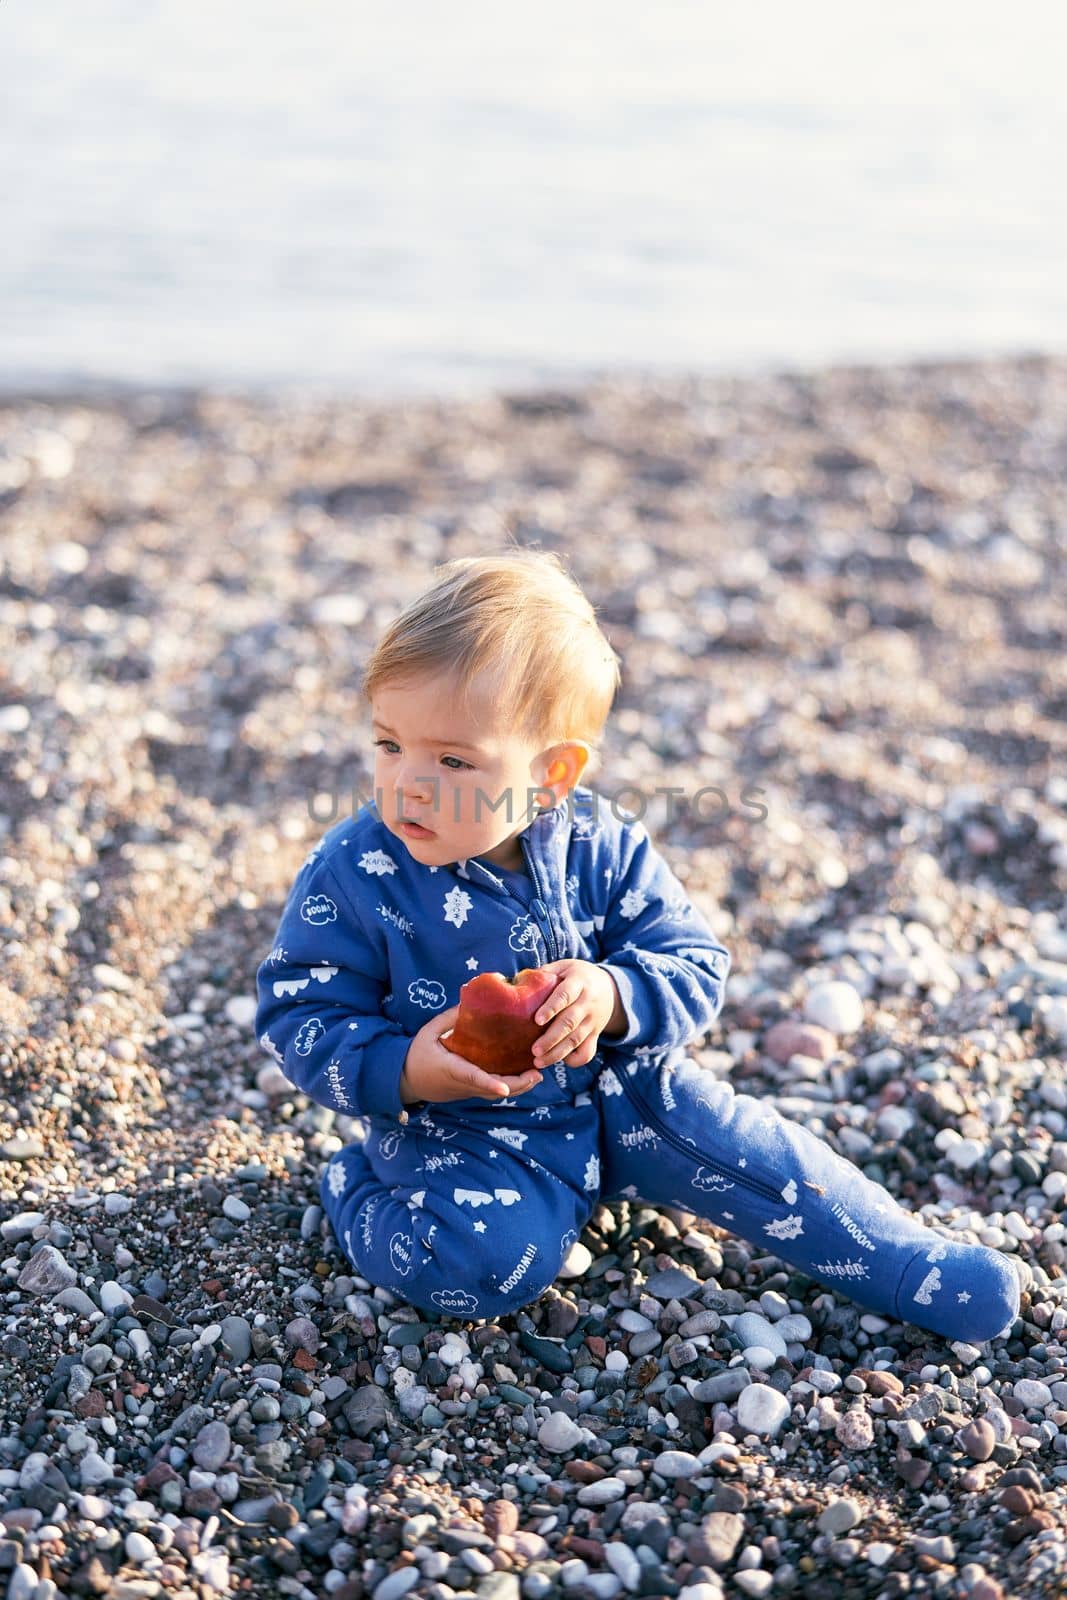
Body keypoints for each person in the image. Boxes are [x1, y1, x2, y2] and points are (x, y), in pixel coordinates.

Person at [253, 549, 1020, 1344]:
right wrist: (406, 1067)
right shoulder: (354, 872)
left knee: (765, 1160)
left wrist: (614, 996)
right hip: (466, 1131)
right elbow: (296, 1010)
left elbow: (695, 964)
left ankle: (907, 1263)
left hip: (629, 1095)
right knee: (483, 1271)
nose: (408, 781)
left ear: (549, 776)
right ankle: (353, 1189)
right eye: (387, 744)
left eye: (452, 759)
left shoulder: (603, 843)